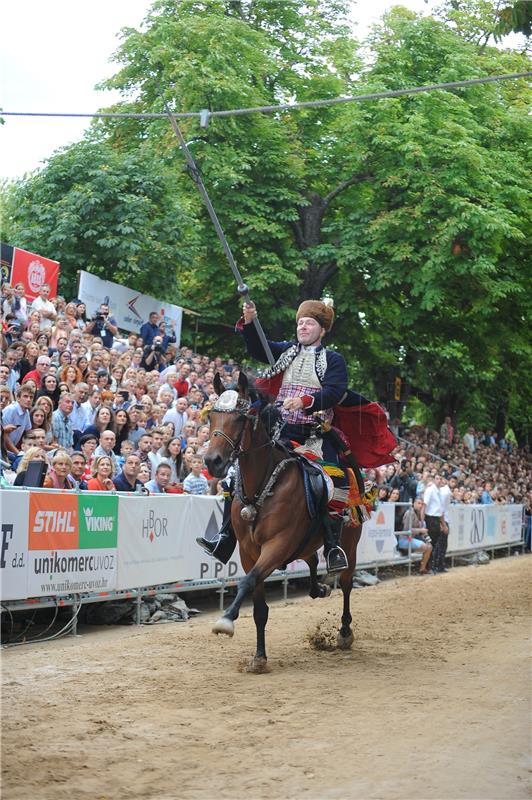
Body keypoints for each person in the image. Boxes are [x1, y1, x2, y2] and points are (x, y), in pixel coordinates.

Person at [198, 299, 396, 572]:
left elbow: (334, 392)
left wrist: (305, 401)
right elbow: (259, 347)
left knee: (334, 482)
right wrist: (251, 320)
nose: (303, 326)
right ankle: (225, 537)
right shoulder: (286, 352)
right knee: (238, 477)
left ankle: (332, 545)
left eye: (309, 322)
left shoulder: (333, 360)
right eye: (300, 322)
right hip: (281, 432)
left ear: (322, 329)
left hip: (316, 435)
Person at [397, 497, 433, 575]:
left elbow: (420, 528)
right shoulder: (410, 513)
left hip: (412, 538)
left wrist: (423, 533)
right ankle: (406, 552)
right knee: (424, 546)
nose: (420, 505)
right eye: (418, 503)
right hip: (404, 539)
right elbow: (406, 530)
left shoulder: (419, 514)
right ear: (414, 503)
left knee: (429, 546)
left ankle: (422, 569)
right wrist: (420, 530)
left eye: (422, 504)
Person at [423, 475, 447, 573]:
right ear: (433, 480)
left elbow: (439, 509)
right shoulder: (430, 490)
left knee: (435, 544)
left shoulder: (439, 491)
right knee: (431, 543)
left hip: (436, 519)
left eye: (441, 479)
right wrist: (422, 521)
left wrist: (442, 523)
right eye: (437, 479)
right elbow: (424, 505)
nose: (439, 480)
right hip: (430, 519)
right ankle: (428, 567)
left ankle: (431, 566)